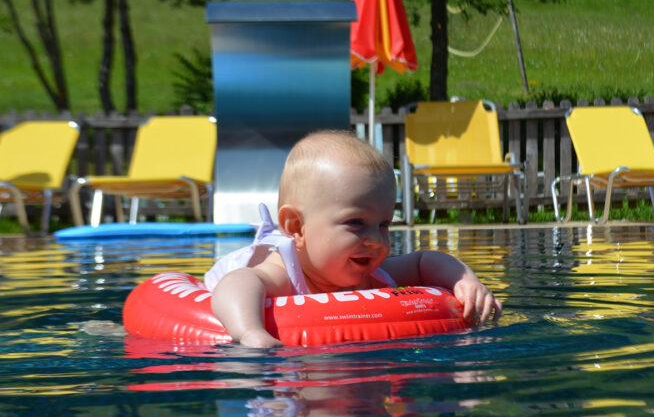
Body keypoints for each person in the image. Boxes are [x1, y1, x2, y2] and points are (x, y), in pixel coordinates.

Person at [206, 130, 502, 348]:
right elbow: (236, 283)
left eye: (384, 224)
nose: (375, 240)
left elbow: (425, 260)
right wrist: (249, 332)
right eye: (356, 223)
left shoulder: (371, 271)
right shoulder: (286, 273)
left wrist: (467, 282)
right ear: (296, 227)